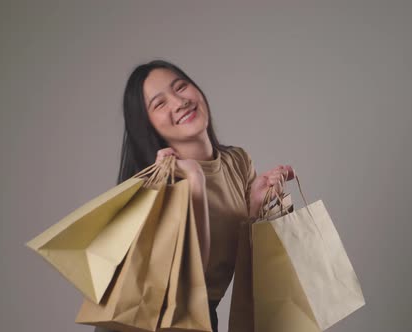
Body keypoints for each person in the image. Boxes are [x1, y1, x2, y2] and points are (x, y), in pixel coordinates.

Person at [98, 60, 294, 332]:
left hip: (202, 320)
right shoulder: (157, 184)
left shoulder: (237, 161)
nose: (178, 102)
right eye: (159, 104)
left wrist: (254, 210)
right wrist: (195, 183)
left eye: (181, 87)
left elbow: (242, 273)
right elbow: (186, 287)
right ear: (148, 125)